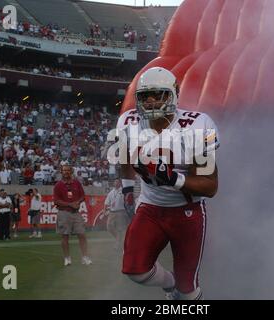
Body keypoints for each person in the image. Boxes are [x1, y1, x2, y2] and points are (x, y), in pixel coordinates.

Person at [115, 67, 220, 300]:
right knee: (135, 270)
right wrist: (127, 190)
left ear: (173, 94)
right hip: (150, 207)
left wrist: (172, 178)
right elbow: (124, 159)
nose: (151, 101)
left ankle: (181, 290)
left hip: (187, 212)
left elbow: (210, 186)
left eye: (158, 94)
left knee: (188, 289)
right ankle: (170, 284)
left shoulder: (198, 125)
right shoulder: (127, 122)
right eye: (145, 96)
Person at [53, 165, 92, 266]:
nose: (66, 172)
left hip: (76, 212)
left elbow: (82, 196)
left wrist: (77, 202)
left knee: (82, 235)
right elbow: (56, 201)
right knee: (65, 236)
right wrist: (70, 204)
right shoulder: (58, 185)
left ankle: (85, 257)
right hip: (64, 212)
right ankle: (67, 258)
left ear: (71, 171)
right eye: (64, 170)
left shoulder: (76, 183)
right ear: (61, 172)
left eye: (68, 170)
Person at [104, 179, 129, 250]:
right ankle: (119, 240)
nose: (116, 183)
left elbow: (128, 200)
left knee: (120, 229)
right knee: (109, 227)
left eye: (117, 182)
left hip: (121, 212)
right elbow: (106, 202)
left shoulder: (123, 191)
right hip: (112, 212)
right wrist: (104, 210)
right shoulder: (111, 192)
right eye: (115, 181)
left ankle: (118, 244)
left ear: (120, 183)